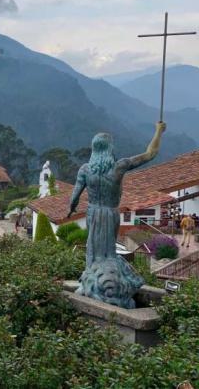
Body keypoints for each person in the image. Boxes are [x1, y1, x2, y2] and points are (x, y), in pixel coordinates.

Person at [68, 121, 165, 308]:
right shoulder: (119, 167)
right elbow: (150, 154)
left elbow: (74, 198)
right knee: (108, 251)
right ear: (110, 148)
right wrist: (159, 131)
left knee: (93, 249)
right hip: (111, 213)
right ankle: (108, 283)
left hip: (92, 212)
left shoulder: (85, 170)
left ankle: (94, 281)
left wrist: (71, 210)